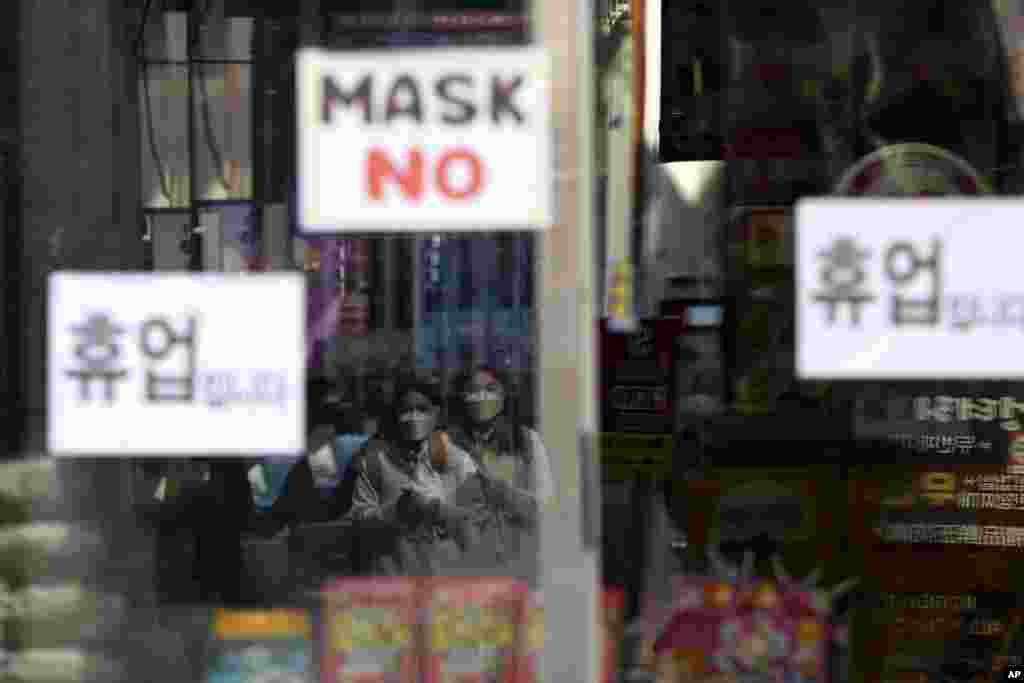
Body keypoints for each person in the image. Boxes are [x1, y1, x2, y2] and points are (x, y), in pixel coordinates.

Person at [345, 373, 479, 576]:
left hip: (443, 585)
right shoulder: (374, 464)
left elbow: (477, 520)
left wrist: (437, 511)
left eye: (422, 410)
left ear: (436, 413)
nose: (414, 417)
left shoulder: (459, 461)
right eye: (406, 410)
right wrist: (395, 511)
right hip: (392, 586)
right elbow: (359, 524)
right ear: (395, 416)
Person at [445, 364, 554, 582]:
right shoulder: (446, 443)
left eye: (490, 389)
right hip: (464, 570)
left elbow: (547, 510)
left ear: (504, 395)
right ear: (463, 397)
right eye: (474, 390)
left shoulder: (526, 440)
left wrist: (507, 495)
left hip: (518, 568)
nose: (482, 396)